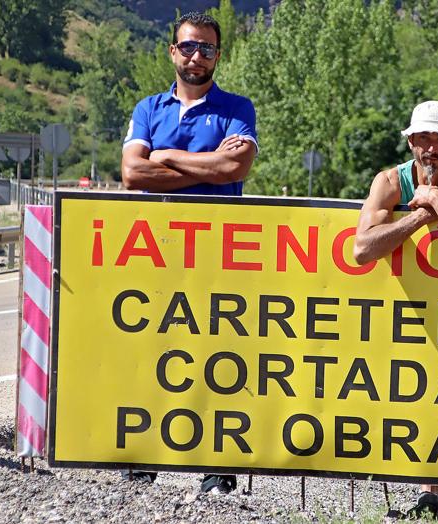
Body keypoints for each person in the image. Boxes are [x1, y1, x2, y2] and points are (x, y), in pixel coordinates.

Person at [119, 11, 258, 494]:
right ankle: (145, 459)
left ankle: (218, 470)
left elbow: (234, 166)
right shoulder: (147, 108)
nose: (198, 56)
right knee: (155, 352)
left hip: (221, 253)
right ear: (173, 51)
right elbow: (132, 175)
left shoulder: (238, 107)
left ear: (219, 55)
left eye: (208, 49)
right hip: (155, 251)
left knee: (218, 359)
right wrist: (210, 167)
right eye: (189, 46)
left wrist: (166, 156)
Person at [353, 101, 438, 520]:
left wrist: (433, 197)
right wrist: (418, 219)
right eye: (422, 138)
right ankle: (427, 491)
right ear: (410, 141)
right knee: (416, 390)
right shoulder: (389, 181)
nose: (429, 148)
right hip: (408, 309)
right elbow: (362, 249)